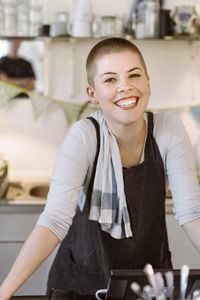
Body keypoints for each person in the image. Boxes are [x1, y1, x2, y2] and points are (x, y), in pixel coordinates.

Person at [1, 37, 200, 300]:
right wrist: (4, 293)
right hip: (82, 285)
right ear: (92, 94)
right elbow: (54, 221)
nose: (125, 87)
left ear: (148, 83)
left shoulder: (168, 130)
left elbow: (191, 213)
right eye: (110, 80)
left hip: (150, 284)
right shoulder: (84, 136)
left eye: (134, 75)